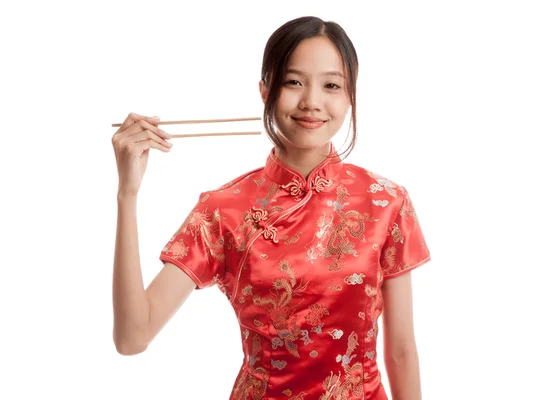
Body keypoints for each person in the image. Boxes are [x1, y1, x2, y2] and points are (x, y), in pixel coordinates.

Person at [112, 15, 431, 400]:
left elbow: (401, 351)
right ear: (265, 90)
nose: (312, 102)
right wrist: (127, 194)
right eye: (293, 82)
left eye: (331, 85)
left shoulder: (386, 201)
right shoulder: (223, 211)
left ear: (350, 97)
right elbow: (133, 336)